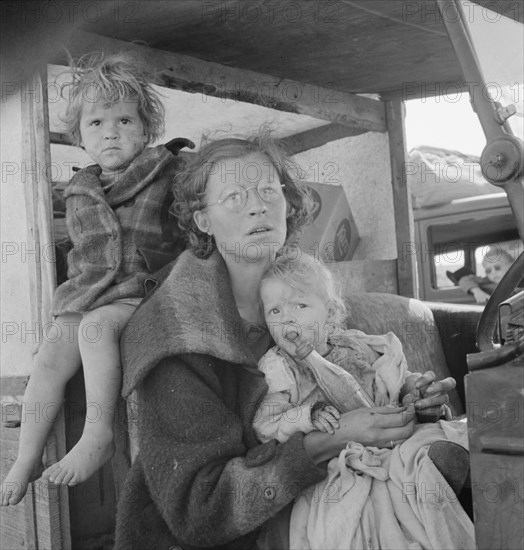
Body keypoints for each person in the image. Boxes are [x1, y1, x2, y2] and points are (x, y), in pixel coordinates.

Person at [113, 132, 457, 550]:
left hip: (336, 481)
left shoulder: (308, 298)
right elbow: (200, 510)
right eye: (235, 197)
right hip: (224, 534)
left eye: (267, 191)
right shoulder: (175, 333)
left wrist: (405, 399)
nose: (258, 205)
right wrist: (331, 438)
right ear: (203, 220)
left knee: (447, 462)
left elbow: (352, 390)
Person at [1, 52, 190, 506]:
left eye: (125, 120)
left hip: (141, 289)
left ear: (146, 129)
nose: (111, 131)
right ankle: (25, 458)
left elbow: (191, 224)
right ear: (80, 137)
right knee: (48, 357)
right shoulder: (79, 187)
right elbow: (80, 250)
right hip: (87, 290)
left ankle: (98, 433)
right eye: (97, 123)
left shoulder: (168, 172)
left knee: (96, 327)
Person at [254, 251, 473, 549]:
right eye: (275, 311)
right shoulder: (278, 367)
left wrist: (414, 392)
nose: (287, 319)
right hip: (340, 463)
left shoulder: (355, 344)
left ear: (330, 314)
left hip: (392, 439)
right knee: (367, 505)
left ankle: (447, 469)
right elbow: (266, 425)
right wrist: (307, 415)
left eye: (300, 305)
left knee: (446, 436)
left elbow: (390, 383)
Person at [448, 246, 515, 304]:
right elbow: (464, 279)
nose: (493, 272)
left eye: (497, 267)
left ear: (511, 266)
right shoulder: (485, 281)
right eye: (488, 270)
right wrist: (476, 290)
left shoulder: (519, 280)